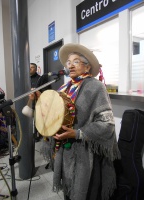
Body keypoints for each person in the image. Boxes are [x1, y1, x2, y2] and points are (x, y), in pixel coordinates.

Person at [32, 43, 120, 200]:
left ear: (87, 68)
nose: (70, 65)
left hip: (86, 152)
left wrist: (78, 133)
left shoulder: (96, 87)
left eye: (76, 61)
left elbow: (107, 124)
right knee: (68, 189)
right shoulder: (64, 88)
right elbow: (54, 114)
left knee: (86, 191)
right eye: (68, 62)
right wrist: (41, 101)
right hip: (65, 151)